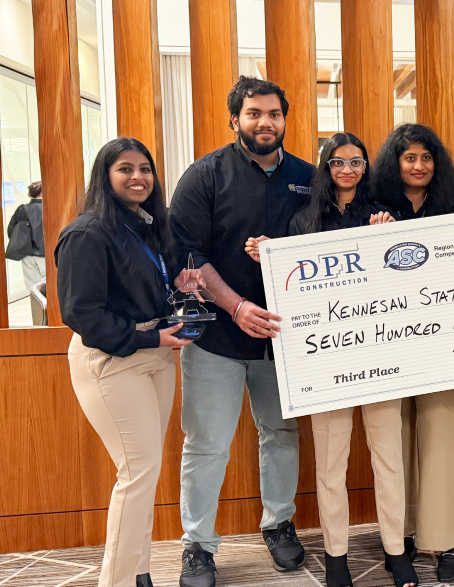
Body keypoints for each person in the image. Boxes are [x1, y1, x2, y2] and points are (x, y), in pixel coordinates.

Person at [246, 132, 417, 587]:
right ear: (326, 167)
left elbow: (406, 282)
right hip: (327, 367)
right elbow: (287, 287)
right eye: (338, 162)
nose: (347, 170)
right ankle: (336, 557)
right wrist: (267, 255)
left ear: (366, 166)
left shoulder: (384, 216)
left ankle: (397, 553)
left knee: (389, 461)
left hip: (380, 356)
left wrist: (390, 235)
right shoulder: (303, 222)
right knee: (331, 465)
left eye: (356, 162)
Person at [169, 76, 315, 587]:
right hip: (218, 341)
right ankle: (199, 546)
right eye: (254, 113)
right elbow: (189, 255)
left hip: (285, 340)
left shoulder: (308, 177)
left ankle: (278, 524)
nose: (265, 122)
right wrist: (237, 307)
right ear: (235, 119)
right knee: (206, 443)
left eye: (274, 113)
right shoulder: (204, 176)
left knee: (281, 433)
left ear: (284, 119)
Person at [56, 138, 205, 587]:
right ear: (105, 176)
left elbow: (145, 282)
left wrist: (180, 282)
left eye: (145, 168)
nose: (138, 177)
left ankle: (139, 573)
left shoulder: (146, 227)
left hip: (156, 355)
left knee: (146, 470)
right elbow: (81, 314)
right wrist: (146, 336)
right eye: (125, 169)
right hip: (113, 360)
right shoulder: (87, 232)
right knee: (137, 474)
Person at [370, 124, 454, 582]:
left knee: (441, 432)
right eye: (409, 157)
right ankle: (402, 532)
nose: (419, 165)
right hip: (388, 340)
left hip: (443, 339)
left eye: (426, 157)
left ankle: (446, 539)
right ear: (395, 163)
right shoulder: (371, 208)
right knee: (396, 436)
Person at [7, 181, 45, 290]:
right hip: (46, 253)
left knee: (32, 287)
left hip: (26, 253)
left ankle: (36, 307)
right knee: (48, 284)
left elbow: (11, 230)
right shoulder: (49, 209)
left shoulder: (22, 209)